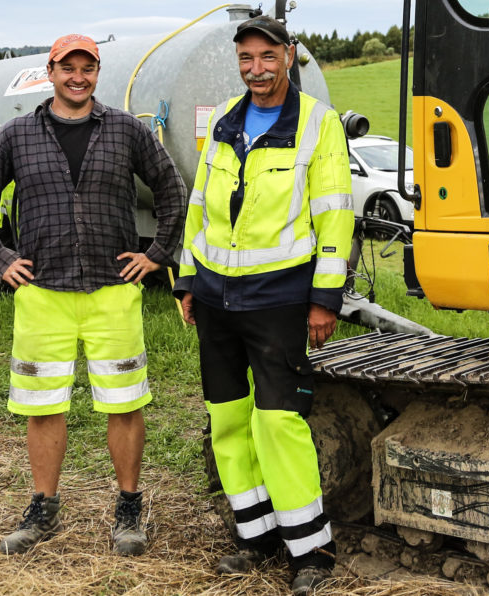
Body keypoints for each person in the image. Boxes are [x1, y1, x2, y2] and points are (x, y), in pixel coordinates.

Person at [0, 34, 186, 556]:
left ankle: (128, 509)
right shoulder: (16, 135)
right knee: (43, 406)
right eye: (68, 67)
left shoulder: (127, 131)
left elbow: (172, 189)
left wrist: (157, 253)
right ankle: (43, 508)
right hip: (43, 293)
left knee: (125, 404)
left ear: (97, 73)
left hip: (113, 292)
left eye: (88, 67)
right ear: (51, 71)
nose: (78, 76)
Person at [173, 15, 354, 595]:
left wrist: (325, 298)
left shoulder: (318, 125)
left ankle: (310, 551)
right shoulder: (226, 119)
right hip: (215, 296)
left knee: (278, 421)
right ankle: (254, 536)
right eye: (246, 58)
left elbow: (333, 214)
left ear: (289, 55)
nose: (257, 69)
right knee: (226, 419)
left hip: (277, 300)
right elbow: (198, 202)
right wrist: (185, 279)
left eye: (267, 57)